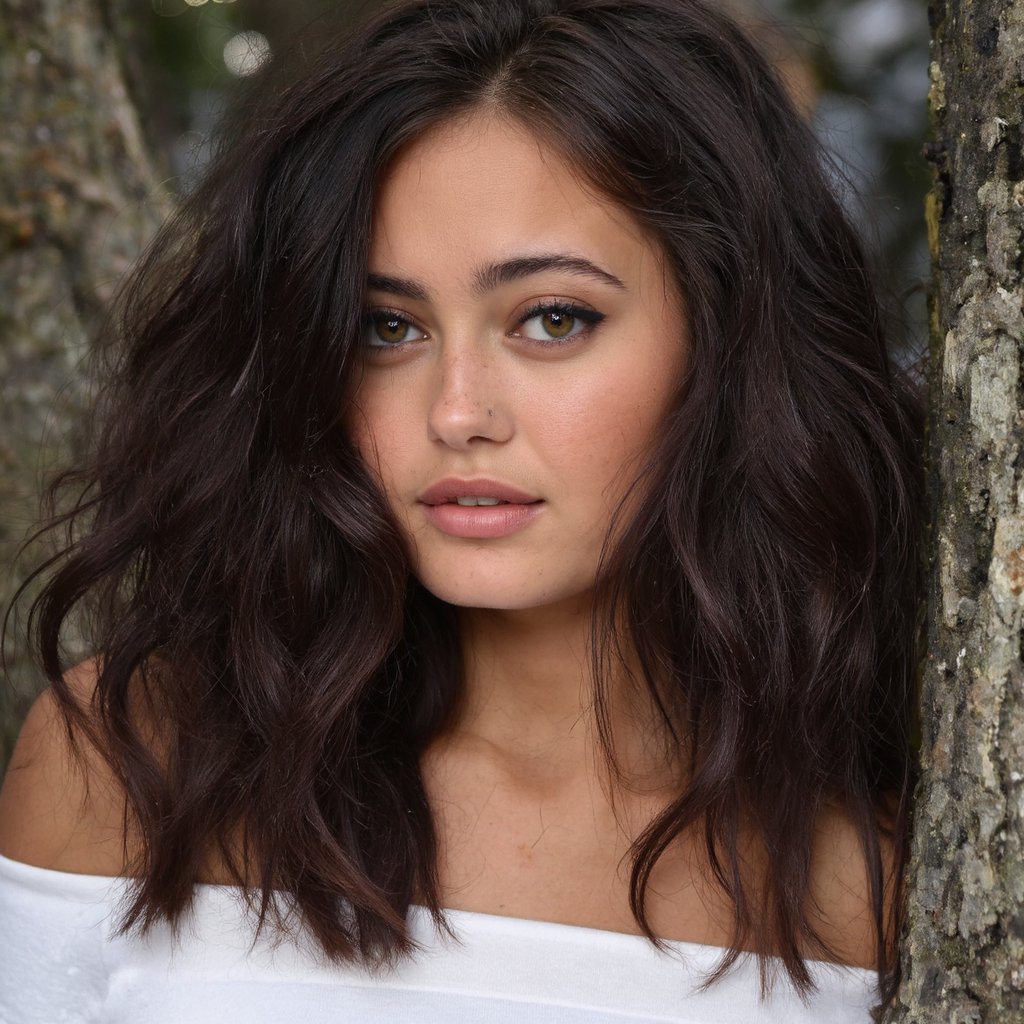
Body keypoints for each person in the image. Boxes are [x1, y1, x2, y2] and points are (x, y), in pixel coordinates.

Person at [0, 0, 923, 1021]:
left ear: (728, 342)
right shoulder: (134, 769)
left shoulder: (875, 881)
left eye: (551, 318)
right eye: (387, 327)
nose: (456, 413)